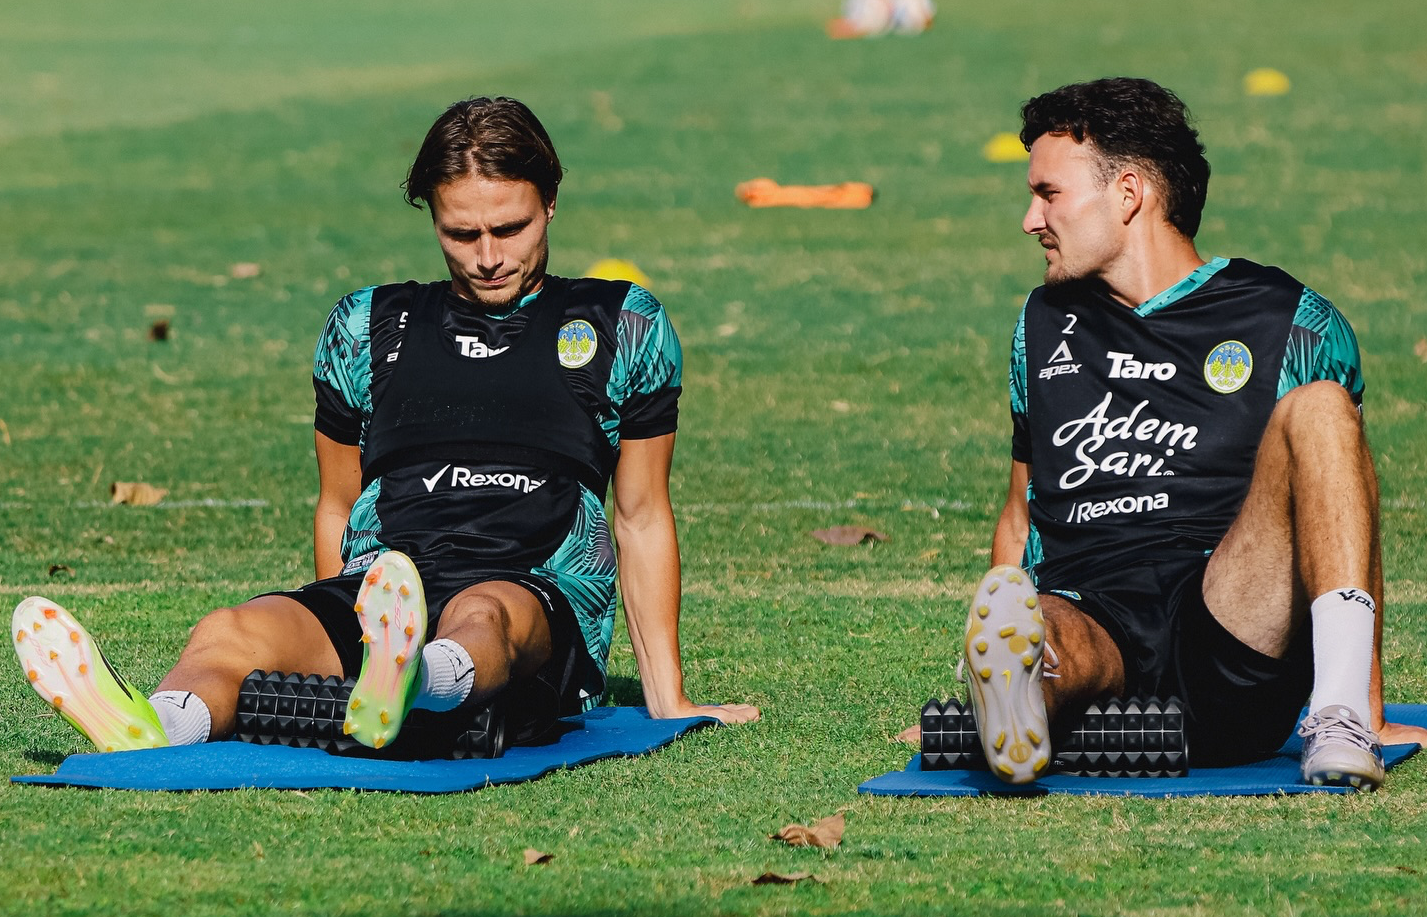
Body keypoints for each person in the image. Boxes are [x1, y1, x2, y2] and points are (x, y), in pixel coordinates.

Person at [14, 96, 759, 757]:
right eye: (461, 232)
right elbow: (337, 503)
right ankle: (156, 724)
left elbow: (639, 514)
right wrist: (324, 639)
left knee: (480, 613)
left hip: (532, 587)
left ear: (552, 202)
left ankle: (415, 678)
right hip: (382, 589)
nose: (490, 255)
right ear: (430, 215)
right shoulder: (368, 325)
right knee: (228, 632)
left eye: (510, 227)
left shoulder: (622, 322)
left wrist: (667, 697)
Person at [965, 77, 1427, 789]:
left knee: (1322, 406)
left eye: (1048, 193)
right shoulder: (1040, 325)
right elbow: (1020, 511)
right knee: (1051, 631)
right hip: (1095, 617)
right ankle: (1013, 699)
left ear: (1127, 194)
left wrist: (1369, 699)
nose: (1030, 218)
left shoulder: (1290, 321)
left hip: (1229, 618)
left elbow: (1345, 505)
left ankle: (1338, 718)